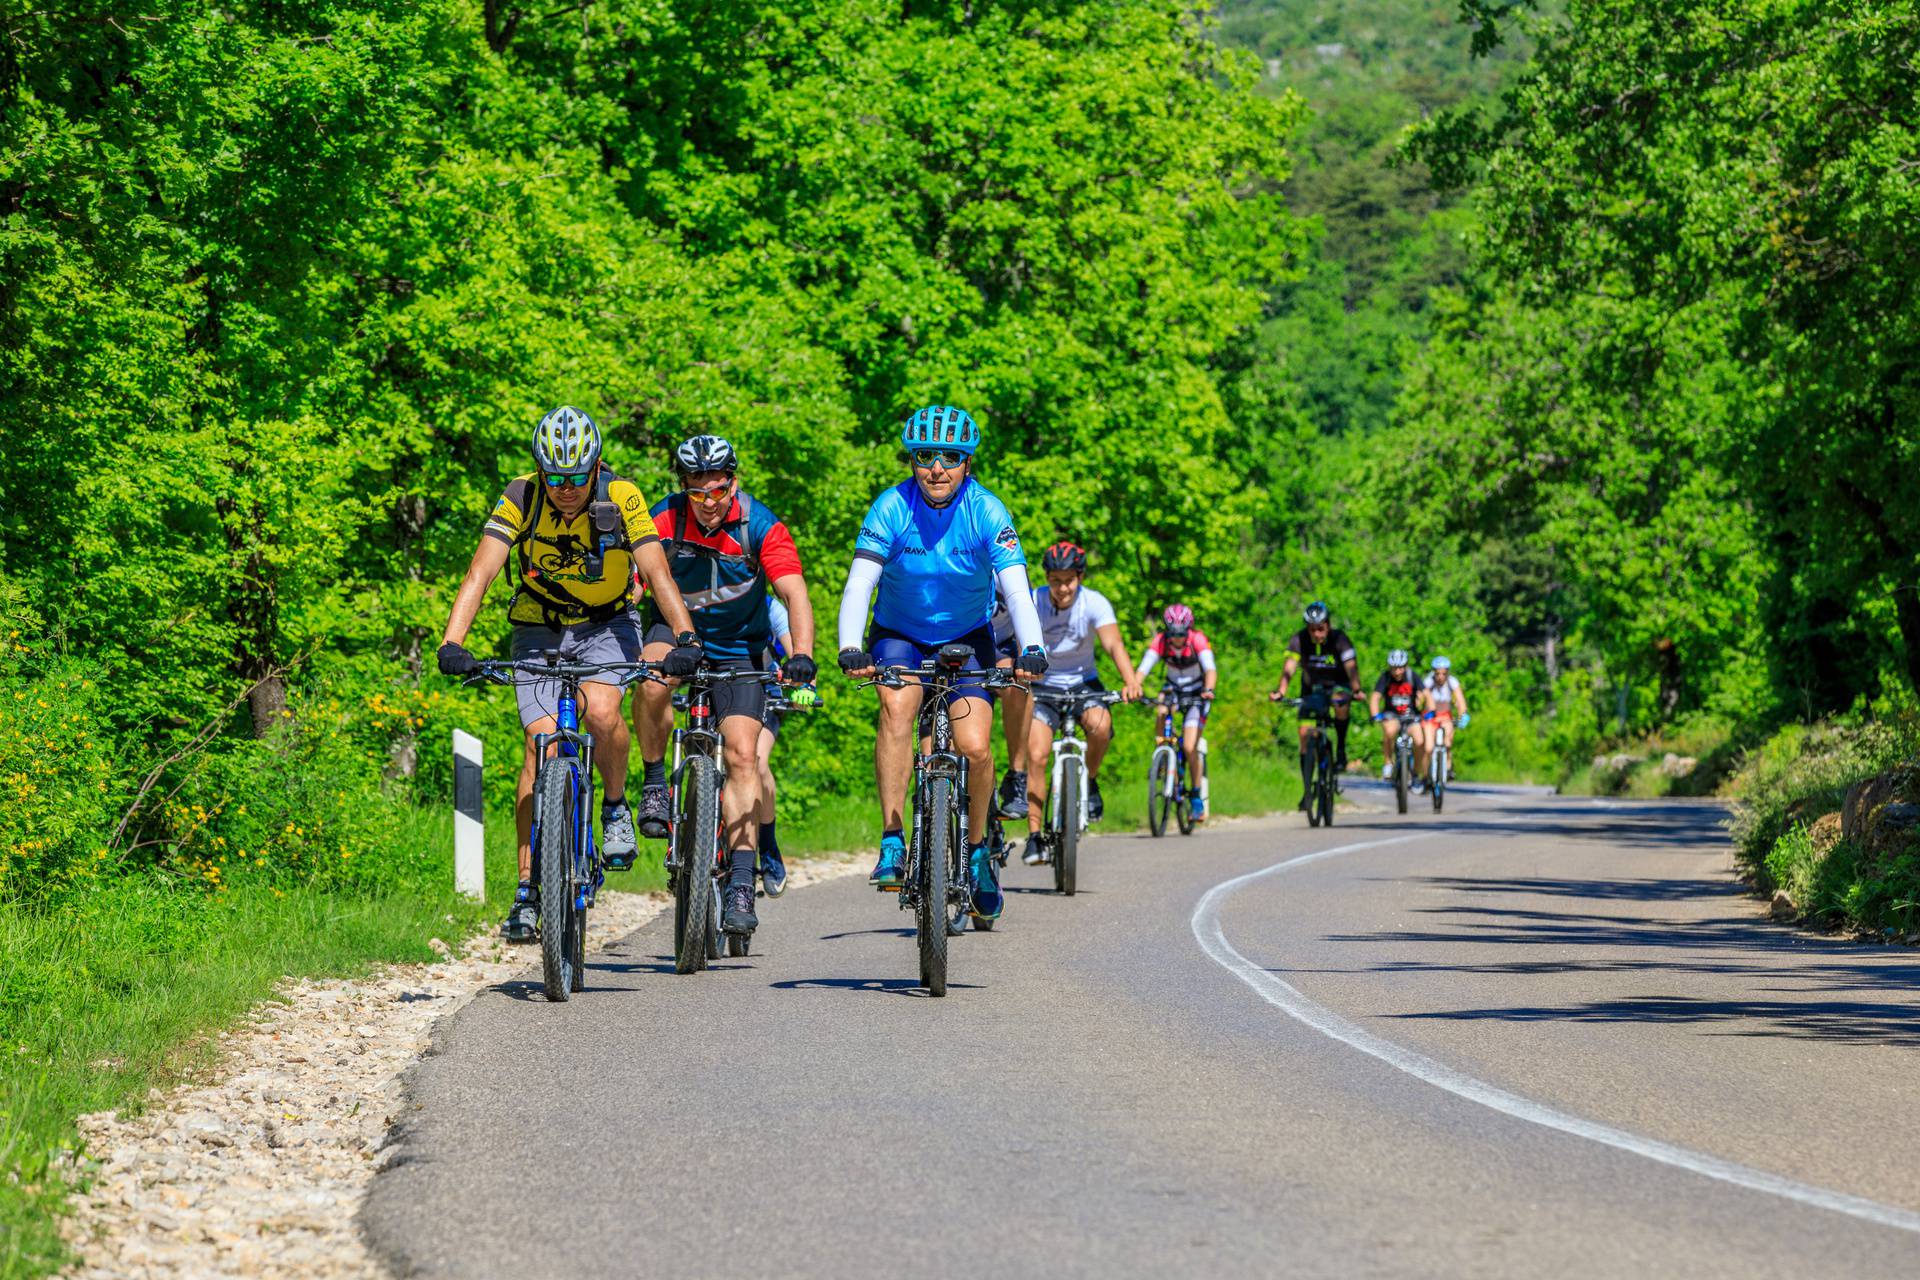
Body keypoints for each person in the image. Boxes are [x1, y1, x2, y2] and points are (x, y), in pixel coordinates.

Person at [437, 406, 702, 943]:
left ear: (596, 466)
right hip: (538, 625)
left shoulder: (621, 497)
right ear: (539, 470)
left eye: (576, 477)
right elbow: (481, 569)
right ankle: (529, 890)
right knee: (540, 748)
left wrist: (686, 636)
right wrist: (452, 641)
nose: (564, 488)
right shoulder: (520, 496)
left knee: (603, 711)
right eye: (553, 476)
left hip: (608, 624)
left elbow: (655, 569)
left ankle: (614, 806)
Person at [836, 404, 1046, 923]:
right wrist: (848, 645)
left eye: (950, 457)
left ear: (967, 464)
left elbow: (1017, 591)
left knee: (975, 748)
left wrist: (1033, 647)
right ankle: (891, 839)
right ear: (912, 461)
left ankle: (977, 854)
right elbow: (861, 582)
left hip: (966, 637)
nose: (937, 468)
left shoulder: (988, 512)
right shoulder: (890, 507)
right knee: (896, 708)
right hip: (899, 635)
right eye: (925, 456)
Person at [631, 435, 816, 938]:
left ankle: (739, 880)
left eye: (719, 490)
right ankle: (653, 783)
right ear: (683, 487)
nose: (710, 503)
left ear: (733, 481)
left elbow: (794, 592)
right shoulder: (664, 520)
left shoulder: (761, 525)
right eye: (698, 493)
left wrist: (801, 655)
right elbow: (632, 583)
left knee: (742, 755)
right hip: (676, 631)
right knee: (650, 679)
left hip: (741, 645)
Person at [1017, 542, 1142, 863]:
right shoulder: (1033, 600)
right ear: (1047, 578)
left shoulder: (1094, 603)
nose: (1062, 588)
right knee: (1037, 754)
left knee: (1101, 727)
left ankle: (1090, 781)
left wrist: (1130, 681)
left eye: (1069, 580)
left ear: (1080, 577)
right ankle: (1034, 836)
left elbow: (1113, 644)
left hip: (1083, 682)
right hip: (1042, 685)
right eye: (1056, 580)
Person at [1268, 601, 1362, 810]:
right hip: (1312, 690)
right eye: (1312, 630)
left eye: (1320, 629)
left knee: (1340, 703)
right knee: (1304, 734)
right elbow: (1289, 669)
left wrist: (1356, 690)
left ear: (1328, 625)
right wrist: (1281, 691)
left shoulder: (1340, 639)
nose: (1317, 634)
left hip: (1338, 686)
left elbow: (1351, 667)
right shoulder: (1298, 640)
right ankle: (1308, 790)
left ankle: (1341, 749)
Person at [754, 594, 817, 897]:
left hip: (762, 692)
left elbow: (796, 652)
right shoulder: (702, 597)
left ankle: (767, 848)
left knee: (756, 761)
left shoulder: (769, 607)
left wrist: (803, 684)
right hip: (717, 686)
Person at [1136, 604, 1216, 822]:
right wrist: (1135, 685)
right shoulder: (1161, 641)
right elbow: (1144, 667)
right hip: (1172, 688)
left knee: (1190, 746)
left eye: (1181, 634)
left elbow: (1210, 669)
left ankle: (1197, 796)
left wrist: (1208, 690)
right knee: (1161, 710)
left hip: (1196, 693)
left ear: (1188, 630)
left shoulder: (1198, 640)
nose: (1177, 639)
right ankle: (1161, 756)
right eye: (1173, 634)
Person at [1369, 649, 1429, 782]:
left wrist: (1430, 711)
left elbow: (1426, 694)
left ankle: (1416, 771)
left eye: (1400, 668)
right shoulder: (1385, 677)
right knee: (1389, 732)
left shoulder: (1412, 676)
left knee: (1420, 741)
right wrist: (1375, 715)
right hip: (1392, 715)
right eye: (1394, 668)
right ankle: (1388, 763)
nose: (1397, 672)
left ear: (1405, 666)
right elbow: (1375, 697)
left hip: (1411, 716)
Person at [1420, 655, 1470, 783]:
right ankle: (1424, 776)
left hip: (1445, 716)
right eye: (1437, 673)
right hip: (1430, 717)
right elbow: (1419, 699)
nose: (1440, 677)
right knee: (1428, 748)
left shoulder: (1452, 682)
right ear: (1433, 672)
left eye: (1444, 673)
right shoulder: (1428, 682)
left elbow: (1460, 700)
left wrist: (1463, 715)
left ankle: (1448, 768)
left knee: (1447, 742)